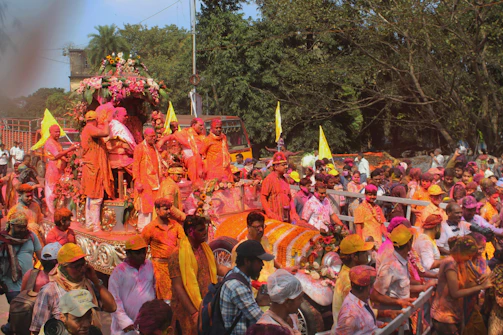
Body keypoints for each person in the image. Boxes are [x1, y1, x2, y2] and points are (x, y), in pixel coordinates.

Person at [30, 243, 117, 334]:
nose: (82, 269)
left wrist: (95, 280)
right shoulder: (50, 291)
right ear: (63, 267)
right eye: (76, 266)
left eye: (83, 264)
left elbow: (112, 307)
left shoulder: (88, 285)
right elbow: (37, 329)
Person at [169, 216, 226, 335]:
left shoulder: (205, 249)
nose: (205, 233)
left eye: (204, 229)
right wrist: (194, 313)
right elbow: (178, 287)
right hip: (187, 311)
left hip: (206, 307)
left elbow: (218, 269)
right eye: (200, 230)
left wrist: (236, 271)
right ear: (190, 232)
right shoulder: (177, 254)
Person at [430, 236, 492, 334]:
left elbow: (470, 281)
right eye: (469, 256)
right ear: (462, 253)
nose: (470, 259)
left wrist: (483, 278)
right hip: (444, 315)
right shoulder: (450, 263)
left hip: (456, 312)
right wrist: (480, 287)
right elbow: (455, 293)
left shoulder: (462, 262)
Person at [0, 212, 42, 335]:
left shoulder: (31, 237)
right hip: (10, 282)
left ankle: (9, 327)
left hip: (29, 282)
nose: (23, 229)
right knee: (22, 308)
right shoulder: (2, 240)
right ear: (10, 225)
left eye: (24, 226)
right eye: (19, 227)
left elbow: (41, 256)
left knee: (20, 310)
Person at [220, 240, 274, 335]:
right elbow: (260, 319)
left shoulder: (239, 276)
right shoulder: (237, 286)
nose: (262, 265)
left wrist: (258, 301)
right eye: (259, 261)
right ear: (247, 261)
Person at [109, 235, 155, 335]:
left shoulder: (149, 265)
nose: (142, 255)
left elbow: (155, 288)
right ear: (128, 253)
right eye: (137, 253)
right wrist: (125, 322)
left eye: (143, 251)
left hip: (147, 324)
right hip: (125, 328)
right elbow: (114, 300)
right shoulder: (118, 273)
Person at [141, 198, 186, 301]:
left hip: (175, 267)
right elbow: (142, 248)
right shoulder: (150, 228)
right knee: (165, 299)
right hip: (158, 269)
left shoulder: (175, 225)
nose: (169, 211)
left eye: (170, 209)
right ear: (157, 210)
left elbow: (184, 243)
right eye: (166, 209)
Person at [80, 110, 114, 232]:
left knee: (91, 195)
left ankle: (89, 223)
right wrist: (106, 122)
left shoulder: (86, 129)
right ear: (95, 120)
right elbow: (105, 132)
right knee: (95, 196)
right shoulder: (89, 129)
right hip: (93, 167)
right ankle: (95, 226)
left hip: (91, 166)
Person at [331, 234, 373, 331]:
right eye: (364, 252)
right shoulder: (349, 280)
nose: (367, 254)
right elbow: (361, 310)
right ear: (355, 257)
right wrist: (387, 313)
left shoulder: (352, 273)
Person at [371, 225, 417, 311]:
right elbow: (375, 296)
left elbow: (403, 286)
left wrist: (424, 287)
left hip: (401, 315)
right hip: (391, 318)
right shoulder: (390, 267)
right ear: (408, 243)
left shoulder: (402, 260)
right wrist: (398, 302)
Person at [335, 265, 388, 335]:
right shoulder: (349, 315)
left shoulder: (363, 300)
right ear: (368, 288)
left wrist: (381, 326)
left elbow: (367, 325)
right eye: (372, 285)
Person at [248, 270, 303, 335]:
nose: (301, 301)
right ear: (288, 302)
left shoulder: (291, 318)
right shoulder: (266, 330)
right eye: (299, 298)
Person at [44, 125, 79, 218]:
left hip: (60, 169)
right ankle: (53, 212)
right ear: (50, 132)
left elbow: (62, 153)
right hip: (53, 169)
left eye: (59, 132)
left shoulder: (57, 142)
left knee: (61, 189)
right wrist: (70, 149)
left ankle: (60, 211)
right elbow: (56, 155)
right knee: (53, 190)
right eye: (56, 132)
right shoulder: (49, 142)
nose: (58, 134)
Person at [133, 128, 163, 231]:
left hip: (156, 182)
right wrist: (137, 181)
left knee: (155, 206)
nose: (154, 138)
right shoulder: (139, 148)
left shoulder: (155, 148)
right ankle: (143, 230)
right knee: (145, 208)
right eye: (151, 136)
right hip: (145, 182)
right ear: (145, 136)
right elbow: (135, 165)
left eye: (154, 136)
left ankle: (153, 229)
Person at [261, 152, 299, 223]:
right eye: (283, 165)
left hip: (286, 219)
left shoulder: (285, 180)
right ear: (276, 167)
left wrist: (293, 213)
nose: (286, 167)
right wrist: (269, 213)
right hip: (274, 220)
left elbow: (290, 198)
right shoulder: (269, 179)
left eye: (286, 164)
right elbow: (263, 197)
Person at [168, 117, 205, 182]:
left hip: (201, 158)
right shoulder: (186, 132)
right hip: (189, 158)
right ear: (194, 125)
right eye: (200, 125)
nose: (202, 127)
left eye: (203, 125)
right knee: (193, 160)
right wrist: (161, 141)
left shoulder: (203, 137)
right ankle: (195, 185)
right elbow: (174, 136)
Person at [106, 107, 136, 176]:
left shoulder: (111, 125)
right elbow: (131, 146)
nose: (127, 117)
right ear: (117, 116)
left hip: (111, 158)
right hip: (121, 159)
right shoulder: (118, 126)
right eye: (124, 115)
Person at [354, 184, 386, 248]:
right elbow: (358, 227)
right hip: (366, 241)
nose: (372, 196)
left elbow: (381, 224)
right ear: (365, 195)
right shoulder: (360, 208)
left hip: (378, 241)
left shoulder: (378, 208)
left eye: (374, 194)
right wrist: (360, 243)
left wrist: (387, 235)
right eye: (370, 194)